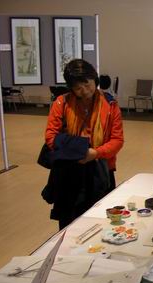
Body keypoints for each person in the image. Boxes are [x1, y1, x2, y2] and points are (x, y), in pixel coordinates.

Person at [43, 59, 124, 229]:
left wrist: (95, 153)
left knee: (102, 223)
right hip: (69, 172)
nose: (85, 91)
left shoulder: (110, 104)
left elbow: (117, 140)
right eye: (78, 88)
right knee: (69, 225)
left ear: (94, 79)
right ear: (71, 88)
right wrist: (76, 152)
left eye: (87, 84)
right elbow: (51, 136)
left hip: (100, 170)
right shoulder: (62, 103)